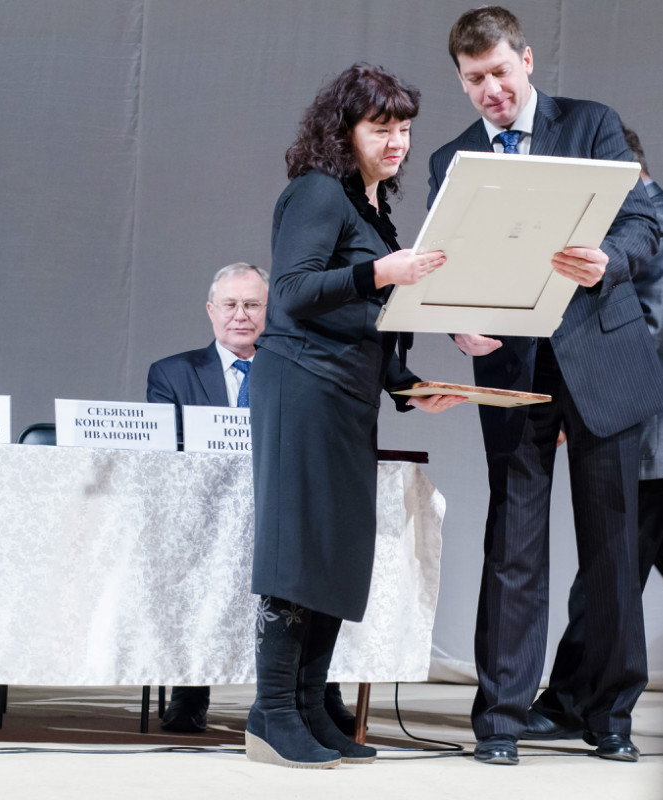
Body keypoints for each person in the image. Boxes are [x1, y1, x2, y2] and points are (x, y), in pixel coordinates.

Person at [428, 8, 663, 765]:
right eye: (475, 79)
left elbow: (645, 227)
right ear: (460, 80)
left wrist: (608, 261)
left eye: (500, 72)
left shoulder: (591, 124)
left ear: (526, 61)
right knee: (512, 547)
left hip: (600, 362)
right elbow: (445, 263)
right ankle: (499, 722)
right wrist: (456, 321)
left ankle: (610, 716)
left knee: (613, 551)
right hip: (512, 371)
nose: (491, 90)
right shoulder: (452, 159)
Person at [247, 63, 463, 769]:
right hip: (302, 386)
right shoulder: (317, 191)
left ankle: (311, 707)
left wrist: (407, 385)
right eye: (381, 128)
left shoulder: (370, 209)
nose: (397, 142)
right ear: (343, 131)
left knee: (335, 552)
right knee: (299, 547)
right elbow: (293, 291)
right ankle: (272, 713)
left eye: (404, 128)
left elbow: (369, 322)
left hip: (346, 395)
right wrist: (381, 272)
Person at [525, 127, 663, 738]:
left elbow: (642, 330)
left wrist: (578, 403)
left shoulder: (662, 227)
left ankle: (569, 703)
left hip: (661, 428)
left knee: (611, 566)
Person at [145, 262, 358, 736]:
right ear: (211, 311)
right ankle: (190, 690)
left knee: (322, 565)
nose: (240, 315)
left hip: (286, 508)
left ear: (272, 310)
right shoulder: (172, 373)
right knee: (187, 567)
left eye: (252, 304)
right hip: (202, 519)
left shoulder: (302, 372)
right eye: (230, 304)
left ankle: (320, 693)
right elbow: (164, 457)